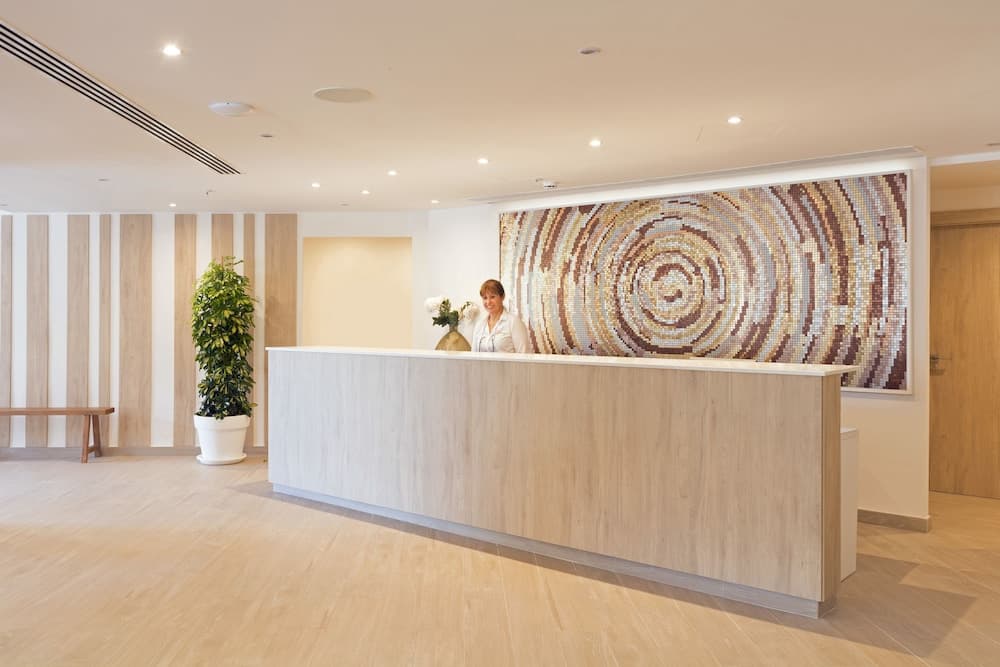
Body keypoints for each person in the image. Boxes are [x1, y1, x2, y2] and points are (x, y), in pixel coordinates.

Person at [472, 279, 531, 353]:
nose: (488, 302)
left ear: (502, 297)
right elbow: (473, 355)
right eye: (485, 298)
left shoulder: (514, 322)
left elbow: (524, 355)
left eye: (492, 297)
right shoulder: (479, 325)